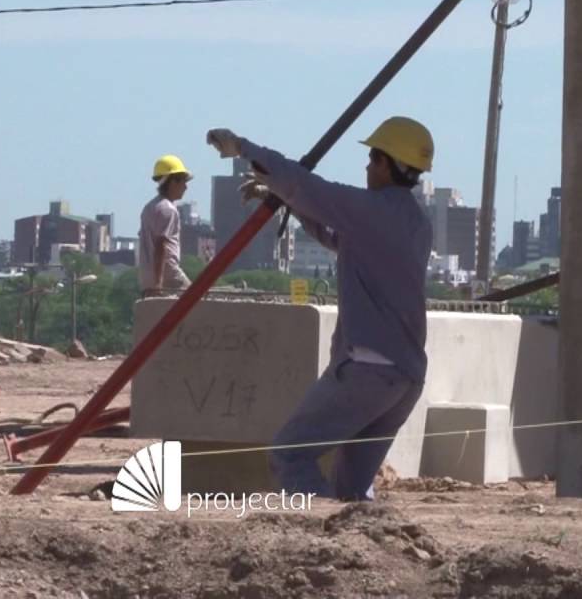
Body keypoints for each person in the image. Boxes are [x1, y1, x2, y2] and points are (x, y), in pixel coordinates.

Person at [205, 116, 433, 500]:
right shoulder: (416, 223)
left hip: (367, 371)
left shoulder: (370, 209)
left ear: (388, 164)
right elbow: (336, 234)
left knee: (289, 454)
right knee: (352, 488)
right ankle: (363, 549)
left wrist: (244, 149)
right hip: (405, 378)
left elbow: (307, 187)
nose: (366, 166)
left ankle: (315, 540)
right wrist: (284, 202)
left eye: (373, 157)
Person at [139, 155, 193, 298]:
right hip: (168, 275)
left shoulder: (150, 207)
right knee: (197, 302)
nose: (186, 187)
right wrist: (159, 283)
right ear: (172, 181)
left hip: (148, 277)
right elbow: (160, 245)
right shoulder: (168, 209)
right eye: (183, 181)